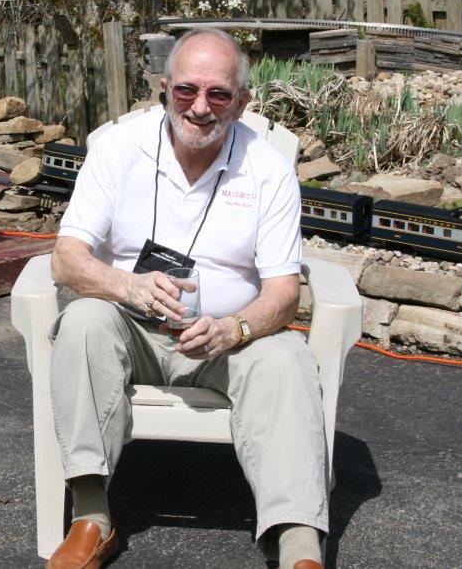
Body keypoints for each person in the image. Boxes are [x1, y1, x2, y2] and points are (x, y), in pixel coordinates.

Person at [46, 29, 326, 569]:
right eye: (187, 90)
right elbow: (66, 260)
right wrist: (128, 286)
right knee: (82, 321)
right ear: (163, 89)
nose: (200, 107)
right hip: (131, 328)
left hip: (225, 340)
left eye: (218, 94)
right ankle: (91, 517)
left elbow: (284, 294)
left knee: (287, 357)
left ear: (241, 102)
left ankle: (299, 548)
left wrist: (233, 329)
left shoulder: (267, 169)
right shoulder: (117, 150)